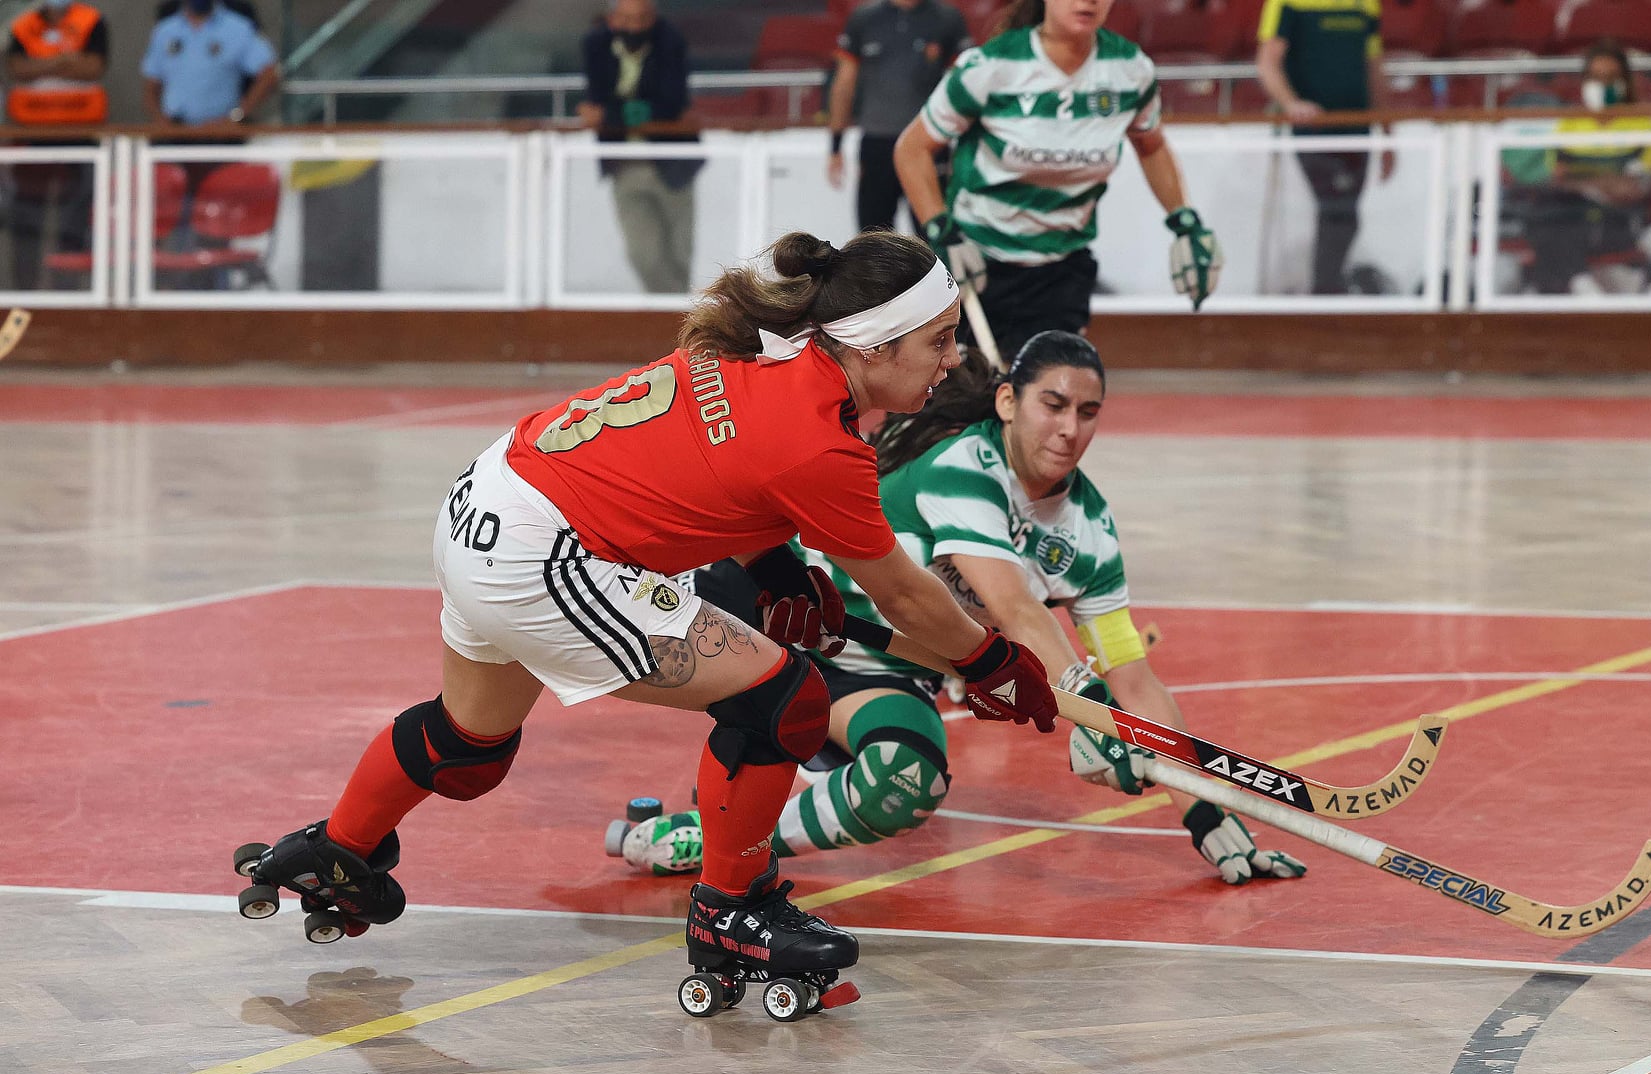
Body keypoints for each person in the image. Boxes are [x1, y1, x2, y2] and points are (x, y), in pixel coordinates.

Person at [238, 230, 1060, 1011]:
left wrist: (774, 561)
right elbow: (906, 597)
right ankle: (733, 911)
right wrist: (991, 660)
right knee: (783, 701)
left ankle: (338, 849)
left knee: (469, 743)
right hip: (541, 553)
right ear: (875, 346)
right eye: (939, 340)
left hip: (482, 502)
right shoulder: (819, 442)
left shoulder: (765, 347)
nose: (950, 360)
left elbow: (711, 458)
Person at [622, 331, 1306, 888]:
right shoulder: (966, 462)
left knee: (906, 777)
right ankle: (762, 786)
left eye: (1087, 412)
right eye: (1053, 404)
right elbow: (1009, 603)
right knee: (747, 699)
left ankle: (731, 839)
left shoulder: (1091, 531)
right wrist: (1082, 700)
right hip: (779, 610)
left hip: (873, 666)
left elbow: (1133, 676)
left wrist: (1201, 813)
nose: (1069, 429)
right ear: (1007, 402)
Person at [893, 0, 1221, 360]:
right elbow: (912, 149)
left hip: (1062, 272)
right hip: (978, 265)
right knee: (963, 406)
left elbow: (1151, 146)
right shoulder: (991, 66)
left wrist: (1184, 221)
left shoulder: (1129, 70)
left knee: (1046, 399)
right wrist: (942, 230)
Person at [1256, 0, 1395, 295]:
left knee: (1346, 214)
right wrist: (1292, 104)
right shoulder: (1286, 2)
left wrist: (1387, 133)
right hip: (1315, 132)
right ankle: (1325, 294)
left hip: (1358, 130)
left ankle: (1326, 291)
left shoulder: (1366, 4)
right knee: (1339, 210)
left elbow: (1373, 67)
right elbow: (1268, 62)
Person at [1501, 41, 1651, 295]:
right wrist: (1600, 180)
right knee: (1547, 218)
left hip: (1616, 220)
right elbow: (1557, 177)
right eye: (1595, 77)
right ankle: (1579, 283)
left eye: (1611, 77)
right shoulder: (1571, 123)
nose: (1603, 84)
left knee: (1552, 230)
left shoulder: (1641, 126)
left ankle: (1575, 287)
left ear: (1625, 82)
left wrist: (1582, 180)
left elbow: (1630, 189)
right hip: (1568, 212)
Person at [578, 0, 699, 294]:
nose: (635, 27)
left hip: (673, 164)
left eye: (642, 19)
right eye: (627, 19)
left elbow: (671, 105)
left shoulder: (671, 41)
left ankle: (676, 320)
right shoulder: (595, 45)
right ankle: (671, 317)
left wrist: (611, 115)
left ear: (653, 17)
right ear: (613, 19)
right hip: (624, 163)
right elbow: (595, 100)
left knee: (679, 252)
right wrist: (627, 112)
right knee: (642, 253)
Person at [828, 0, 971, 234]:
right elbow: (844, 84)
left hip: (929, 145)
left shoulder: (947, 18)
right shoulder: (864, 18)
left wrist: (966, 147)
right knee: (873, 242)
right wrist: (835, 144)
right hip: (878, 143)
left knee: (935, 236)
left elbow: (966, 83)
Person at [4, 0, 108, 291]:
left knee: (73, 223)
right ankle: (24, 295)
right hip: (32, 138)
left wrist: (42, 64)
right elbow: (17, 68)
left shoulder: (90, 21)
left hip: (78, 137)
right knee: (25, 221)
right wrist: (65, 59)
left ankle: (69, 295)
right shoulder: (24, 24)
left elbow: (93, 67)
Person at [140, 0, 277, 128]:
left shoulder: (238, 28)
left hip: (220, 133)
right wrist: (160, 120)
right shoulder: (165, 31)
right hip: (175, 130)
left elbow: (269, 76)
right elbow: (151, 85)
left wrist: (236, 117)